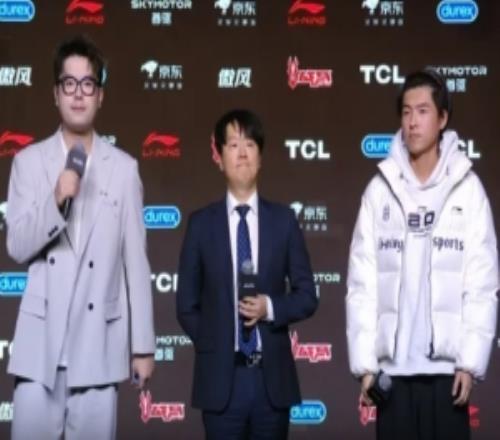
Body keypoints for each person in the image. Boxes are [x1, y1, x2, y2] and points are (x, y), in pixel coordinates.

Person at [5, 35, 155, 439]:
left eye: (87, 84)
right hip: (40, 352)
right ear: (55, 93)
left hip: (98, 350)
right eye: (68, 84)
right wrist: (56, 199)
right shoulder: (28, 162)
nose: (77, 94)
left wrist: (142, 346)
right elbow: (17, 245)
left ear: (100, 96)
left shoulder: (123, 169)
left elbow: (136, 263)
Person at [346, 69, 499, 440]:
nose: (413, 122)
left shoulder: (468, 189)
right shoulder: (379, 189)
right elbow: (362, 284)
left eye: (423, 111)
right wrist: (366, 366)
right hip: (392, 376)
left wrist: (469, 363)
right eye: (406, 112)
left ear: (443, 118)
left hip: (447, 376)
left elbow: (481, 283)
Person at [177, 109, 318, 439]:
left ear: (261, 157)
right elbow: (186, 305)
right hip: (221, 384)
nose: (242, 153)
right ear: (219, 157)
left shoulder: (284, 221)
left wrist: (270, 307)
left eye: (250, 144)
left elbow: (307, 296)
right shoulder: (200, 225)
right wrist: (214, 344)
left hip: (271, 383)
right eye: (233, 145)